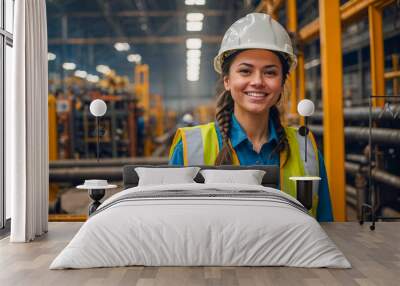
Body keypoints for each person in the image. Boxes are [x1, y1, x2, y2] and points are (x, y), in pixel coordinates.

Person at [168, 13, 333, 222]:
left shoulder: (305, 149)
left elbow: (326, 226)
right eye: (245, 71)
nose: (257, 81)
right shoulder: (189, 148)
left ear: (282, 82)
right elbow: (172, 228)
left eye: (270, 72)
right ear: (227, 81)